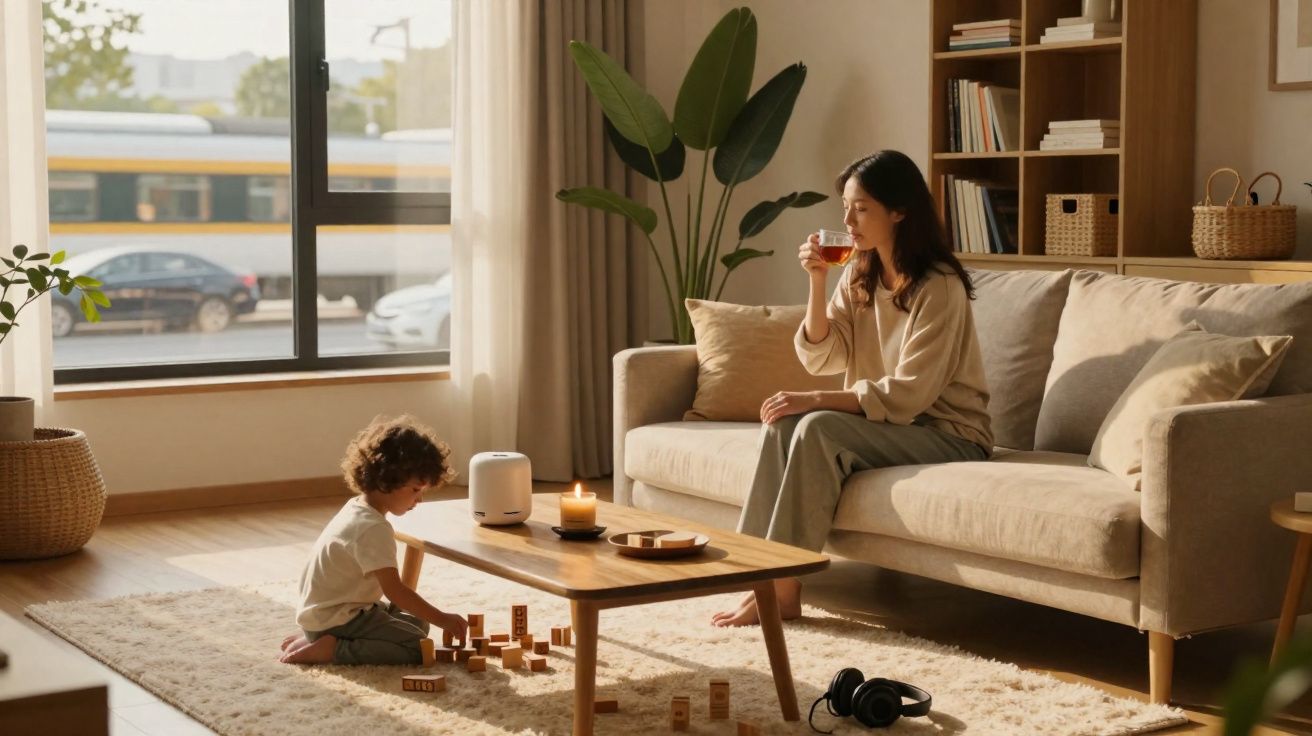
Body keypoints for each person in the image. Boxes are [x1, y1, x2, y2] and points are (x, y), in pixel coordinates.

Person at [712, 150, 994, 627]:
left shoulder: (939, 286)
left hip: (950, 433)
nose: (847, 219)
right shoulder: (859, 272)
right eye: (845, 206)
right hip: (894, 428)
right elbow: (823, 355)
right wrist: (818, 282)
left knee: (818, 427)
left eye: (861, 208)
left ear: (899, 211)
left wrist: (814, 399)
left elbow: (909, 392)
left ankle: (783, 591)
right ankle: (751, 573)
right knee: (786, 425)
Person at [280, 415, 469, 664]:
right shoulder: (373, 529)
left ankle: (316, 637)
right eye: (415, 490)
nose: (419, 500)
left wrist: (432, 617)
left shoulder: (357, 507)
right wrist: (442, 618)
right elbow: (396, 592)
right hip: (339, 617)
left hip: (326, 613)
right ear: (385, 480)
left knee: (419, 623)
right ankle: (332, 649)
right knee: (417, 646)